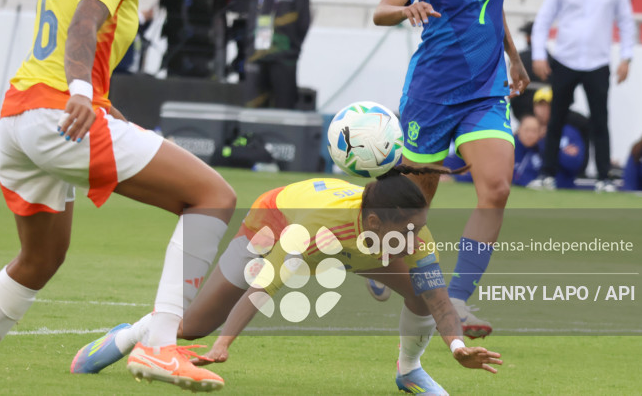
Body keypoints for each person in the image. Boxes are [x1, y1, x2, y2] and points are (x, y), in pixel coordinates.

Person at [0, 0, 236, 394]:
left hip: (19, 118)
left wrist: (94, 95)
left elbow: (72, 38)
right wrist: (80, 91)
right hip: (59, 115)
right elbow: (84, 24)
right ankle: (160, 347)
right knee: (212, 196)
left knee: (40, 258)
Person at [70, 167, 503, 396]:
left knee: (423, 295)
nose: (417, 238)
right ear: (374, 221)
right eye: (408, 231)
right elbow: (265, 287)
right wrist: (223, 345)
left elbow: (442, 301)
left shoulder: (411, 235)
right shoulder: (314, 228)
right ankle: (133, 335)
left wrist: (458, 348)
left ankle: (409, 371)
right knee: (192, 327)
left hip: (358, 247)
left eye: (420, 228)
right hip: (274, 221)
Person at [372, 0, 530, 337]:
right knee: (413, 203)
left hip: (485, 89)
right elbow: (382, 10)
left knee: (497, 188)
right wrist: (407, 8)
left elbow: (493, 2)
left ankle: (458, 298)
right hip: (433, 93)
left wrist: (514, 58)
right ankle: (380, 253)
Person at [531, 0, 635, 193]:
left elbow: (626, 22)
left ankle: (603, 177)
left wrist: (626, 58)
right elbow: (543, 20)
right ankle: (547, 174)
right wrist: (538, 55)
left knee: (600, 121)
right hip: (564, 61)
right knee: (556, 119)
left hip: (598, 63)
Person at [229, 0, 311, 109]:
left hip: (284, 58)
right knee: (253, 107)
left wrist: (292, 49)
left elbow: (304, 22)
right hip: (257, 56)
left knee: (283, 108)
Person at [529, 87, 587, 189]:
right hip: (527, 189)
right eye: (540, 105)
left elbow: (574, 163)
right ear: (534, 107)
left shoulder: (570, 132)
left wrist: (544, 143)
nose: (544, 110)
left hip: (562, 190)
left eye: (549, 105)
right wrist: (562, 151)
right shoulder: (526, 131)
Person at [512, 115, 543, 186]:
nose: (530, 135)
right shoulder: (508, 149)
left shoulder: (541, 151)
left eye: (534, 131)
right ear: (519, 130)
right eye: (527, 130)